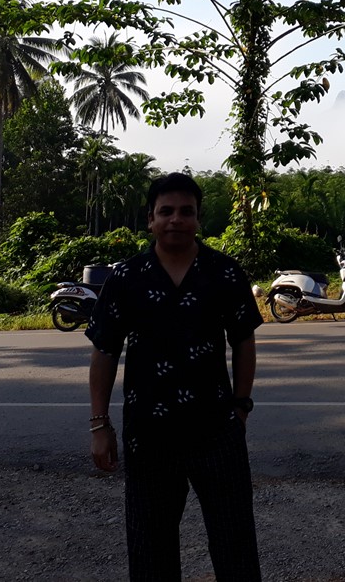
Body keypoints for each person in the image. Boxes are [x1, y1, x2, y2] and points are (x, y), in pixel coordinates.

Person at [86, 172, 263, 581]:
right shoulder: (128, 278)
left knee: (235, 543)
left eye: (187, 212)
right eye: (166, 212)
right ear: (150, 219)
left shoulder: (224, 272)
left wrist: (240, 407)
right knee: (150, 549)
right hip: (149, 434)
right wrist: (99, 424)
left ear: (199, 219)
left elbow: (243, 342)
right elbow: (104, 351)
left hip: (217, 430)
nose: (176, 220)